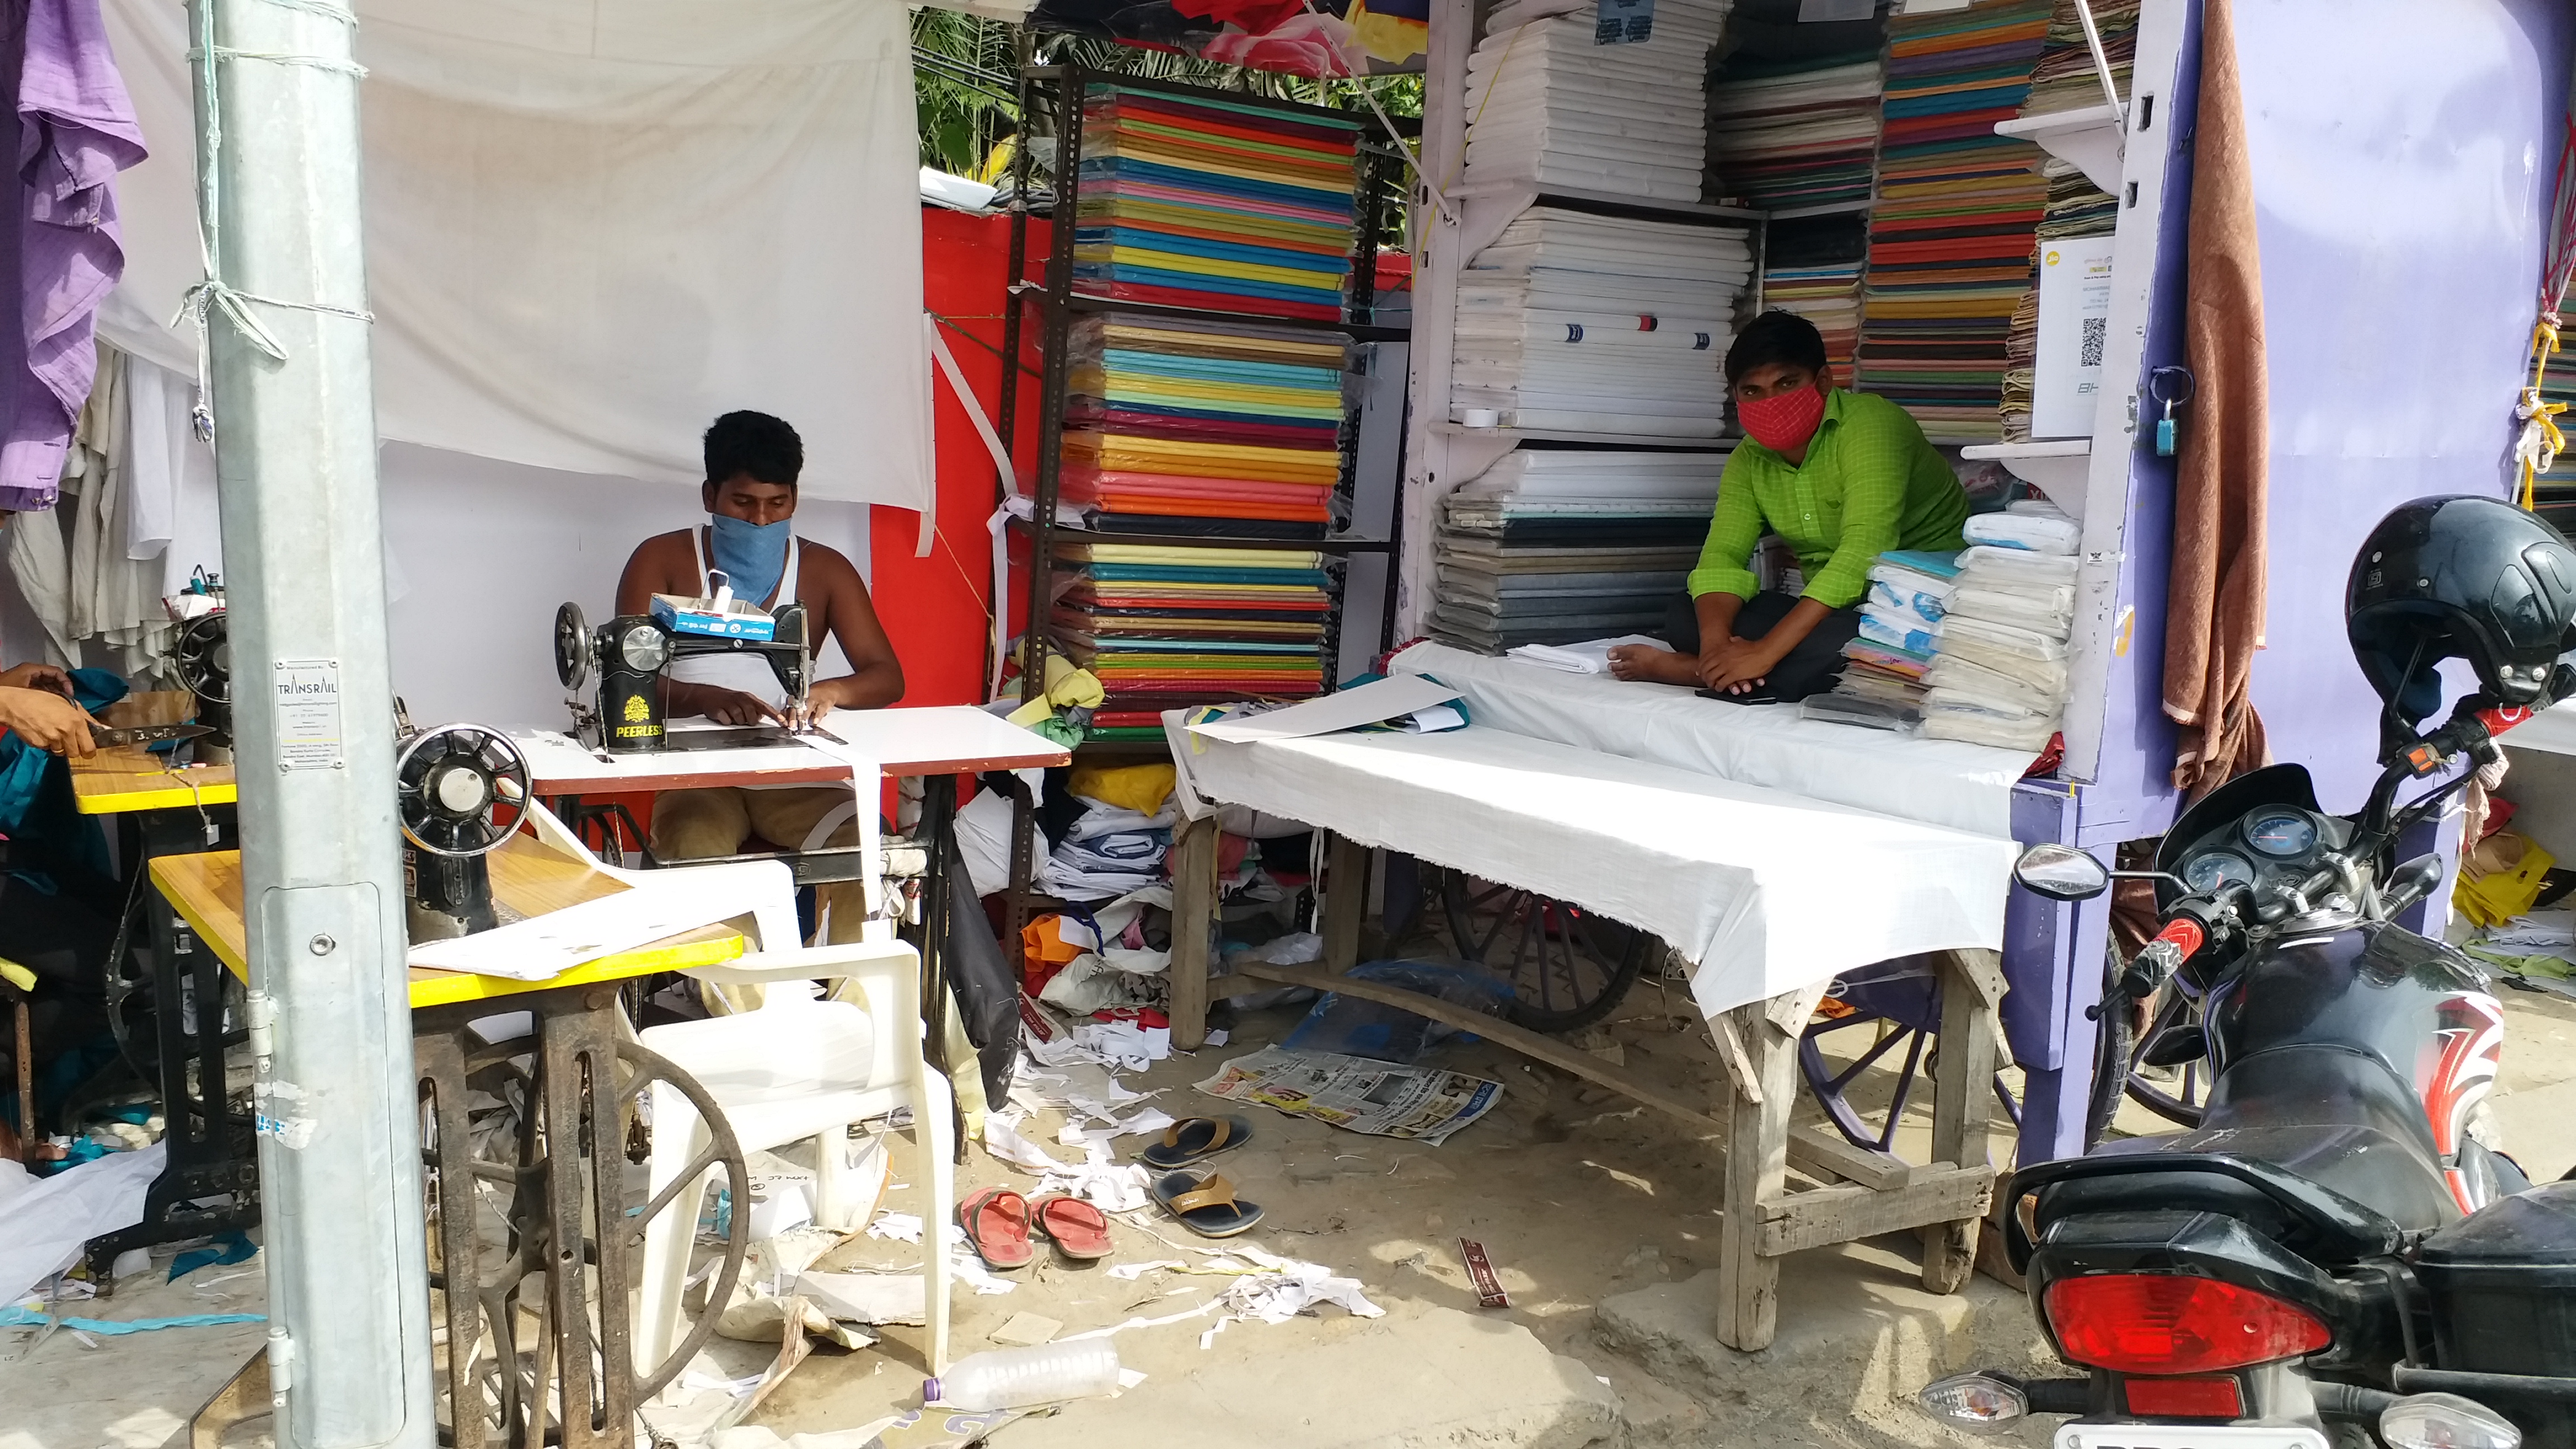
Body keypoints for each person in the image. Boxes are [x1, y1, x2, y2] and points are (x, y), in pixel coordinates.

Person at [615, 411, 905, 935]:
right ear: (710, 496)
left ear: (795, 497)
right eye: (743, 503)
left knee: (866, 846)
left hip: (788, 767)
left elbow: (887, 676)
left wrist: (832, 690)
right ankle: (750, 1002)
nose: (762, 520)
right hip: (693, 775)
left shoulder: (824, 569)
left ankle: (856, 1001)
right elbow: (625, 677)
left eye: (778, 503)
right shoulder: (661, 559)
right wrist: (700, 696)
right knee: (693, 853)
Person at [1610, 311, 1969, 701]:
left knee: (1847, 645)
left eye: (1787, 383)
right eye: (1753, 391)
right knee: (1687, 611)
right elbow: (1723, 555)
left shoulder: (1872, 426)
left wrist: (1765, 651)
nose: (1771, 402)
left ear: (1824, 381)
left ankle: (1692, 671)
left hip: (1920, 613)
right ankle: (1722, 666)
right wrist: (1715, 646)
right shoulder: (1748, 460)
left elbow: (1863, 551)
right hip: (1828, 612)